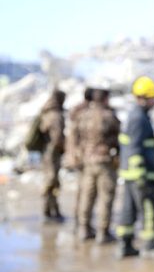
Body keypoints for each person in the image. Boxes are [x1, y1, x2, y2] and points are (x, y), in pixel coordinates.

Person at [116, 76, 154, 259]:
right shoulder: (139, 118)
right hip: (140, 175)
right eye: (152, 98)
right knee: (149, 209)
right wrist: (142, 175)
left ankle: (126, 245)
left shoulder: (135, 115)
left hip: (131, 174)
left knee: (129, 209)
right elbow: (135, 148)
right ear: (144, 98)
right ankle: (151, 246)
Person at [75, 87, 120, 243]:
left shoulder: (83, 116)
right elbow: (118, 138)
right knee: (105, 197)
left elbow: (76, 136)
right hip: (104, 161)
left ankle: (84, 228)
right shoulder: (109, 116)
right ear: (105, 99)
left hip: (87, 161)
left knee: (87, 196)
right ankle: (103, 231)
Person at [65, 86, 93, 233]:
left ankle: (80, 221)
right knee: (86, 191)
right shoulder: (86, 112)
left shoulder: (77, 110)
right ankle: (82, 224)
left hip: (78, 154)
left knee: (82, 191)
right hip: (84, 156)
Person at [39, 89, 67, 223]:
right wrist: (63, 148)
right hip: (52, 153)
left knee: (51, 181)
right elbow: (57, 138)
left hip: (46, 152)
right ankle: (49, 210)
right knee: (52, 181)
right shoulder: (56, 115)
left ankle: (52, 209)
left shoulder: (45, 113)